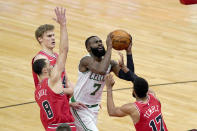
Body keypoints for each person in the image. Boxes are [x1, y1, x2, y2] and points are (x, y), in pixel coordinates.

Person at [33, 7, 85, 131]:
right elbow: (64, 51)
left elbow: (65, 81)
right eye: (49, 36)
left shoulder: (54, 57)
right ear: (40, 39)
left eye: (53, 36)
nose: (53, 38)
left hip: (57, 107)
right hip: (60, 116)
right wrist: (63, 25)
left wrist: (72, 97)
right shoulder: (40, 59)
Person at [70, 34, 135, 131]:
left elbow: (129, 76)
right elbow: (101, 70)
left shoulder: (110, 63)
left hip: (94, 108)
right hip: (79, 107)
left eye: (100, 41)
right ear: (88, 48)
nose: (100, 44)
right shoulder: (86, 60)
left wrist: (128, 52)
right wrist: (109, 48)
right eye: (96, 42)